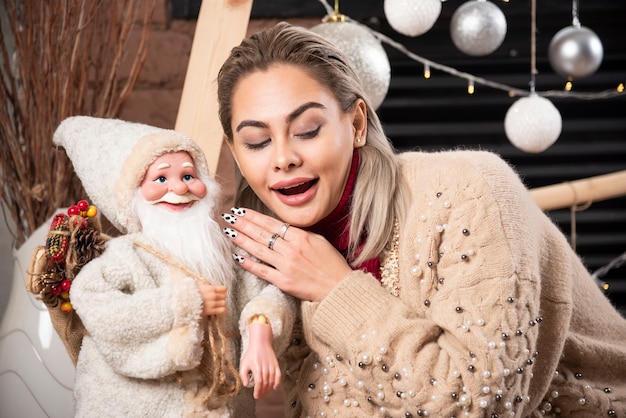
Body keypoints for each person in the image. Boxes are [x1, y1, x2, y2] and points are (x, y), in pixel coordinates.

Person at [215, 22, 626, 417]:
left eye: (307, 130)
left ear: (356, 123)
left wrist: (334, 287)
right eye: (258, 142)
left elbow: (483, 404)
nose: (284, 158)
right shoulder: (274, 258)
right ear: (236, 152)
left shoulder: (469, 190)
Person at [51, 116, 295, 417]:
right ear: (134, 194)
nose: (179, 188)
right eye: (161, 179)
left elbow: (265, 290)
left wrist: (260, 329)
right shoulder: (124, 257)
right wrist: (185, 303)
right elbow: (99, 309)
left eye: (189, 175)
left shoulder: (222, 253)